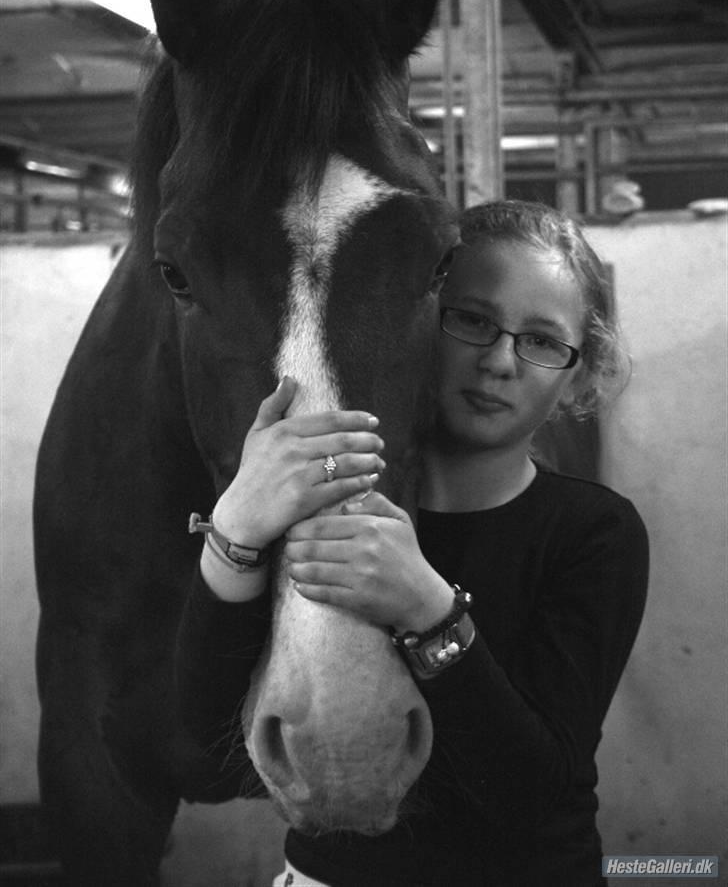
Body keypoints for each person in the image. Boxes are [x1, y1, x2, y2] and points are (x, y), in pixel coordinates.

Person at [175, 199, 649, 886]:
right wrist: (237, 527)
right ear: (421, 324)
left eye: (543, 341)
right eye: (473, 320)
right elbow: (200, 729)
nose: (499, 362)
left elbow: (534, 790)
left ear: (579, 371)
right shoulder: (320, 502)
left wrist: (429, 609)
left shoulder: (596, 534)